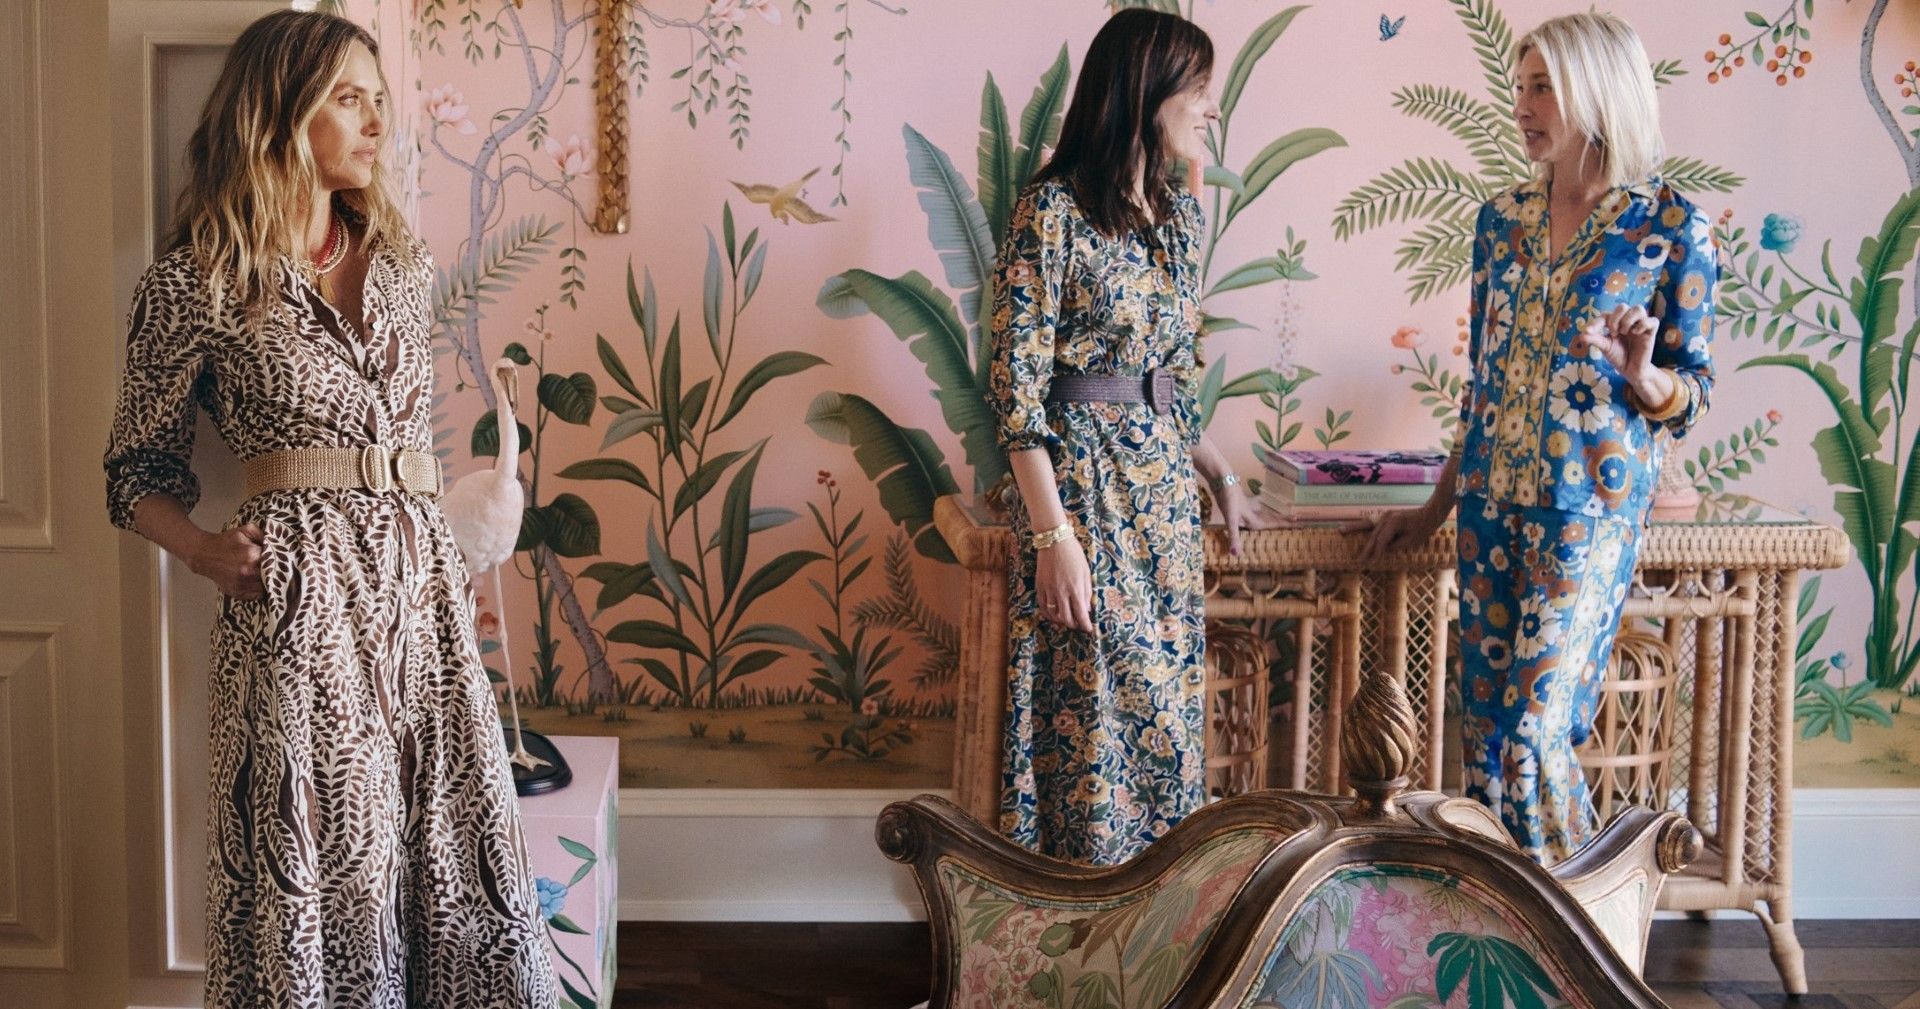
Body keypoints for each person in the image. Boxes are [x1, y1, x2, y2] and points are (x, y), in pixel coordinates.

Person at [103, 11, 556, 1005]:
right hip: (298, 608)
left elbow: (407, 435)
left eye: (379, 102)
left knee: (454, 842)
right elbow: (132, 472)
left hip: (420, 594)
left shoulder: (400, 264)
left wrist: (449, 565)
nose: (374, 123)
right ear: (278, 109)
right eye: (349, 99)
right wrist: (209, 554)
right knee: (331, 862)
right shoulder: (195, 283)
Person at [1360, 11, 1717, 863]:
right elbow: (1482, 386)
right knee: (1485, 746)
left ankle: (1586, 941)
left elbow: (1693, 391)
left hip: (1586, 513)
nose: (1521, 106)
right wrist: (1434, 506)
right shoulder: (1501, 221)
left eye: (1543, 86)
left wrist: (1643, 377)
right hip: (1488, 505)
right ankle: (1500, 949)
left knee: (1530, 732)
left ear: (1596, 90)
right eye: (1519, 86)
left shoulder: (1669, 226)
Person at [987, 7, 1269, 867]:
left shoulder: (1178, 219)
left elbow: (1166, 380)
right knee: (1094, 717)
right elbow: (1014, 394)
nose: (1212, 110)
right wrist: (1053, 537)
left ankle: (1159, 941)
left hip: (1163, 508)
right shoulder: (1051, 212)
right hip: (1084, 494)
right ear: (1146, 93)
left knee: (1165, 727)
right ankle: (1079, 941)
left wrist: (1220, 474)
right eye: (1200, 91)